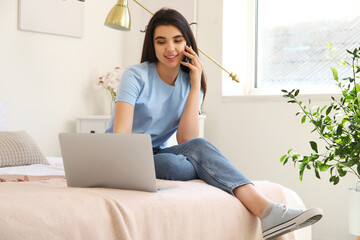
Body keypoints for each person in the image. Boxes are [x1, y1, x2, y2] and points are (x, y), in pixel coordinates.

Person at [105, 8, 323, 240]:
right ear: (153, 45)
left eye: (178, 40)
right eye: (161, 41)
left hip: (156, 154)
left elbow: (188, 140)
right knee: (181, 164)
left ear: (188, 44)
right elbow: (121, 137)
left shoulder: (191, 83)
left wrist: (196, 82)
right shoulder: (135, 76)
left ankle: (268, 212)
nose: (170, 49)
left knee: (178, 166)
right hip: (123, 156)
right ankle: (267, 209)